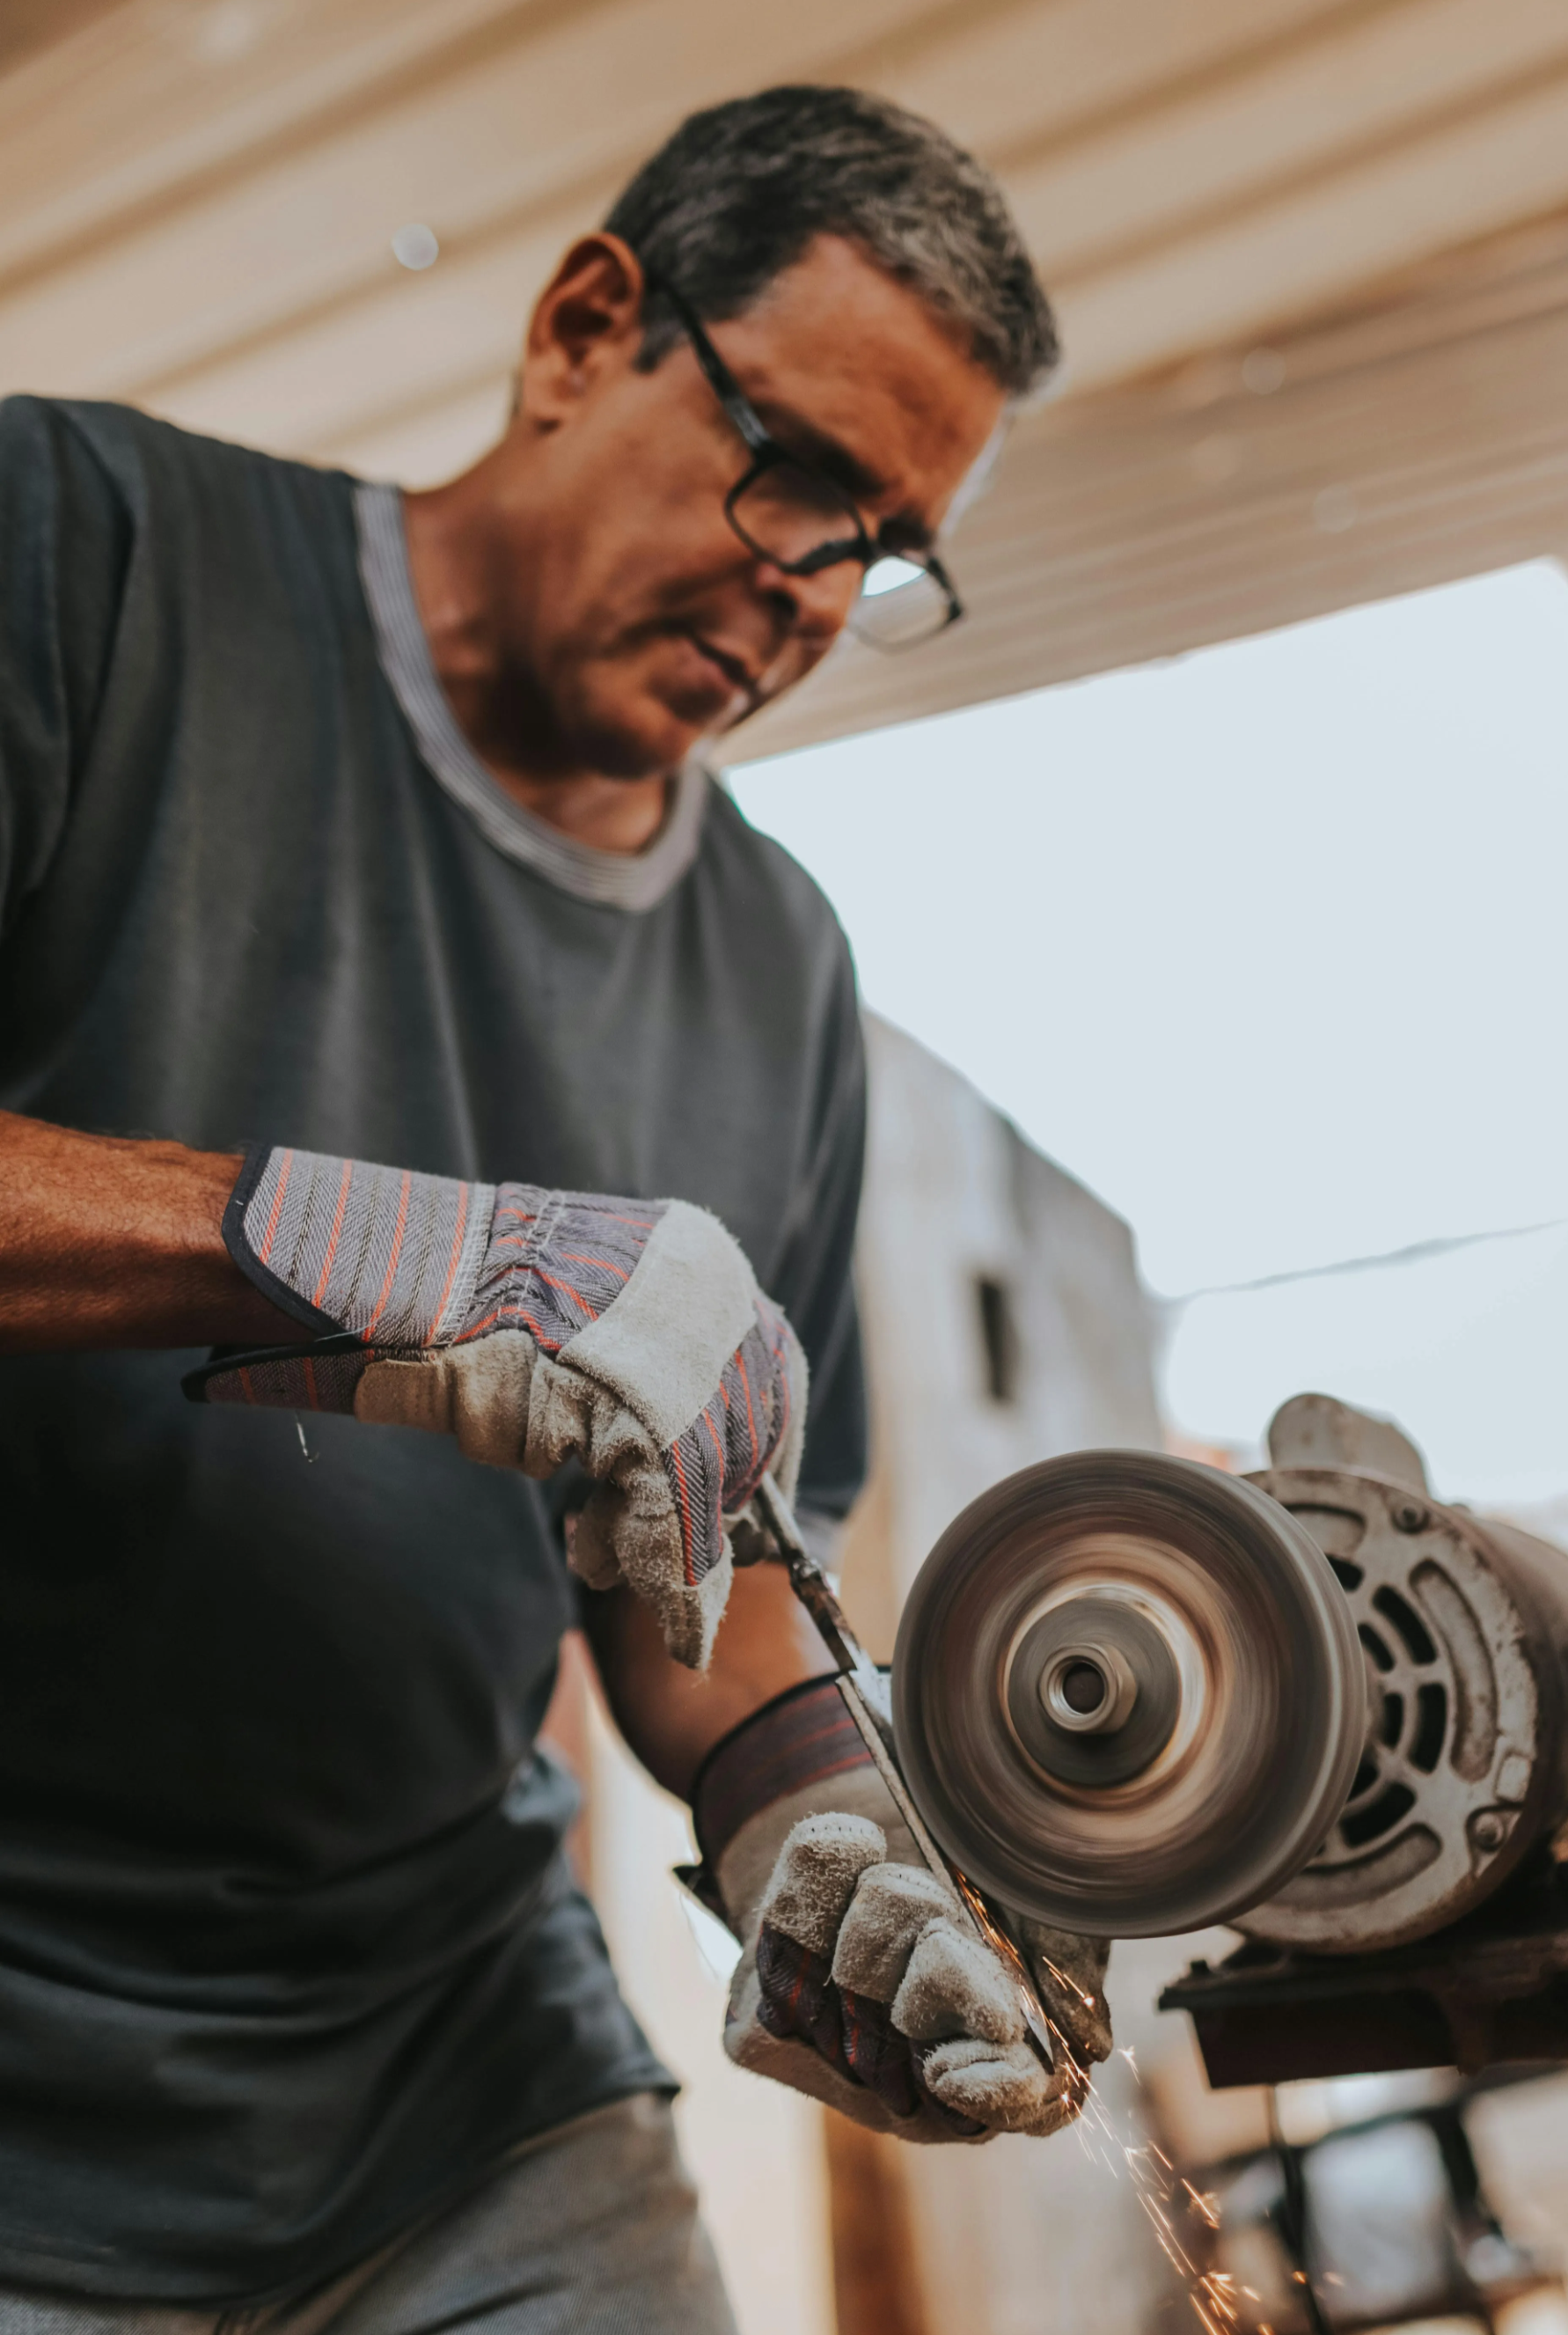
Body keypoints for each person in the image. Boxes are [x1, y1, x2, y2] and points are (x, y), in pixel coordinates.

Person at [0, 84, 1109, 2332]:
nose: (810, 596)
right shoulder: (85, 554)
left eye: (883, 549)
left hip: (460, 2089)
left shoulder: (777, 969)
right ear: (585, 329)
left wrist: (821, 1843)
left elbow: (722, 1581)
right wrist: (388, 1254)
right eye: (794, 469)